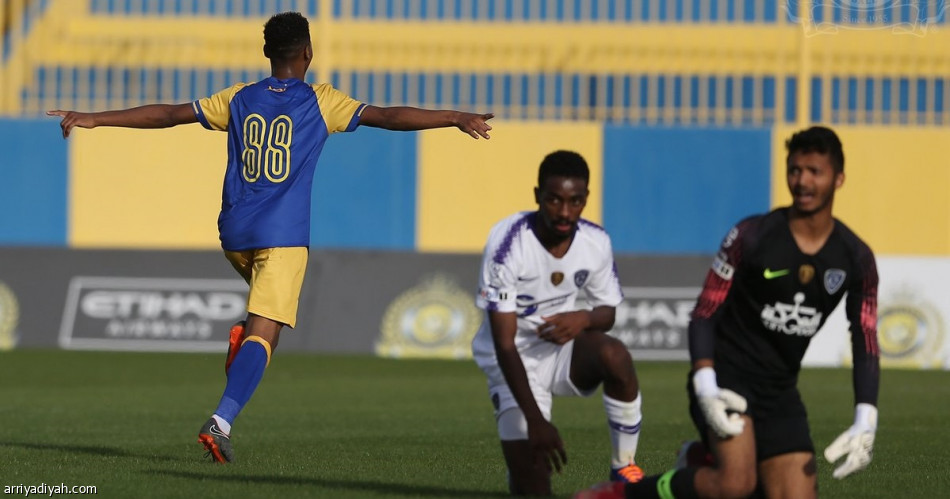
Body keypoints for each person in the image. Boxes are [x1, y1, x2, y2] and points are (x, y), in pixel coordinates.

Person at [48, 11, 493, 464]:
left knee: (264, 328)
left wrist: (93, 118)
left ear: (266, 53)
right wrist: (454, 116)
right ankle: (220, 420)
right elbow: (388, 116)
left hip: (234, 235)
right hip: (282, 237)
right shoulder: (321, 100)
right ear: (308, 52)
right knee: (267, 331)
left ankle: (245, 347)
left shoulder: (238, 97)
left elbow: (167, 114)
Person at [574, 126, 880, 499]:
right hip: (725, 377)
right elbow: (705, 312)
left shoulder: (856, 257)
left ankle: (697, 459)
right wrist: (705, 383)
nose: (803, 181)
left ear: (839, 178)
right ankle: (620, 495)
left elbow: (864, 339)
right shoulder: (752, 235)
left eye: (815, 171)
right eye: (795, 170)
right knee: (735, 484)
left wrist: (866, 418)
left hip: (780, 390)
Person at [472, 150, 645, 496]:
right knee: (534, 486)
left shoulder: (596, 242)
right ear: (538, 196)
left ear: (586, 200)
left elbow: (607, 312)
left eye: (575, 201)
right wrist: (536, 421)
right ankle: (522, 470)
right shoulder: (508, 243)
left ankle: (622, 467)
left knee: (615, 356)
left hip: (560, 350)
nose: (565, 212)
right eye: (554, 200)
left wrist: (583, 317)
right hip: (511, 359)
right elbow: (505, 344)